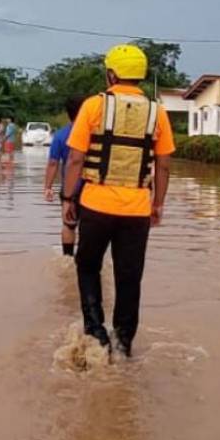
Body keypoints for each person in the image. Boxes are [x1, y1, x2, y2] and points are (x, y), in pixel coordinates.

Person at [61, 44, 175, 357]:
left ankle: (96, 333)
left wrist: (69, 198)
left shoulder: (93, 106)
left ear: (111, 74)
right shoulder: (158, 112)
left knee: (87, 266)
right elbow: (163, 165)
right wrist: (158, 204)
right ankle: (123, 343)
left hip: (96, 205)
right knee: (129, 276)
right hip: (137, 209)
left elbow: (75, 158)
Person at [44, 95, 87, 257]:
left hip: (70, 190)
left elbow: (53, 164)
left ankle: (67, 258)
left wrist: (47, 187)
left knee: (69, 225)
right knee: (90, 228)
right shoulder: (96, 135)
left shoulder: (61, 136)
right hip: (94, 189)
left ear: (68, 113)